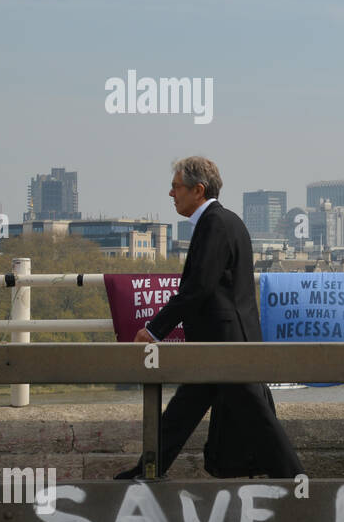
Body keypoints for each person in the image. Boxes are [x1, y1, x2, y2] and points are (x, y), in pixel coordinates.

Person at [116, 156, 304, 479]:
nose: (171, 193)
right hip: (221, 344)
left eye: (176, 187)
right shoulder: (227, 221)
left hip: (225, 349)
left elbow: (198, 288)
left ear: (198, 190)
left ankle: (300, 488)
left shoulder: (214, 224)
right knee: (181, 414)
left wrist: (155, 330)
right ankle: (145, 472)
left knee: (260, 423)